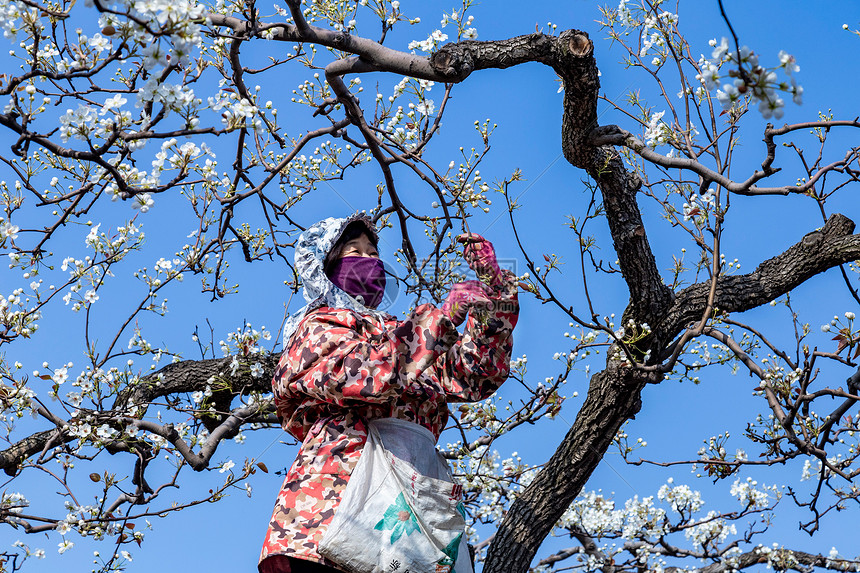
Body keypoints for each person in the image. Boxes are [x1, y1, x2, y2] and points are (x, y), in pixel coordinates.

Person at [258, 213, 519, 573]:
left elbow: (475, 374)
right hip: (338, 495)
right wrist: (439, 319)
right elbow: (365, 373)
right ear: (327, 267)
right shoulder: (316, 326)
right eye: (355, 251)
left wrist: (494, 287)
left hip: (411, 492)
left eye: (373, 252)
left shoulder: (402, 333)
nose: (370, 260)